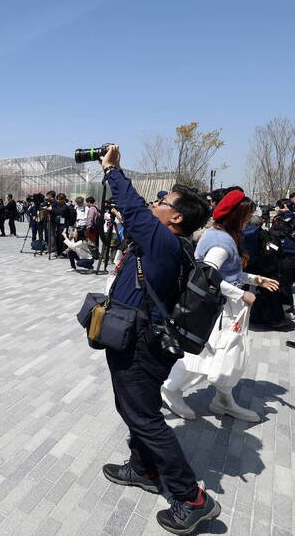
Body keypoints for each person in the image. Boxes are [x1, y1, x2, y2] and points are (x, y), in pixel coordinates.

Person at [96, 145, 220, 534]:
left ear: (176, 217)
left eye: (163, 201)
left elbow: (131, 208)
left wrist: (113, 171)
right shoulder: (165, 244)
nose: (155, 202)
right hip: (142, 340)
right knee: (137, 408)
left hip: (140, 348)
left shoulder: (164, 243)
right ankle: (144, 468)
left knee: (146, 419)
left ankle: (192, 499)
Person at [162, 191, 279, 423]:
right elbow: (206, 276)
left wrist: (255, 280)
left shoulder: (222, 235)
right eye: (246, 215)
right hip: (217, 311)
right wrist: (242, 293)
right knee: (207, 354)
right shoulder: (221, 242)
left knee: (227, 355)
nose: (250, 219)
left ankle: (223, 399)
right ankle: (171, 389)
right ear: (236, 216)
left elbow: (227, 273)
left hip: (225, 308)